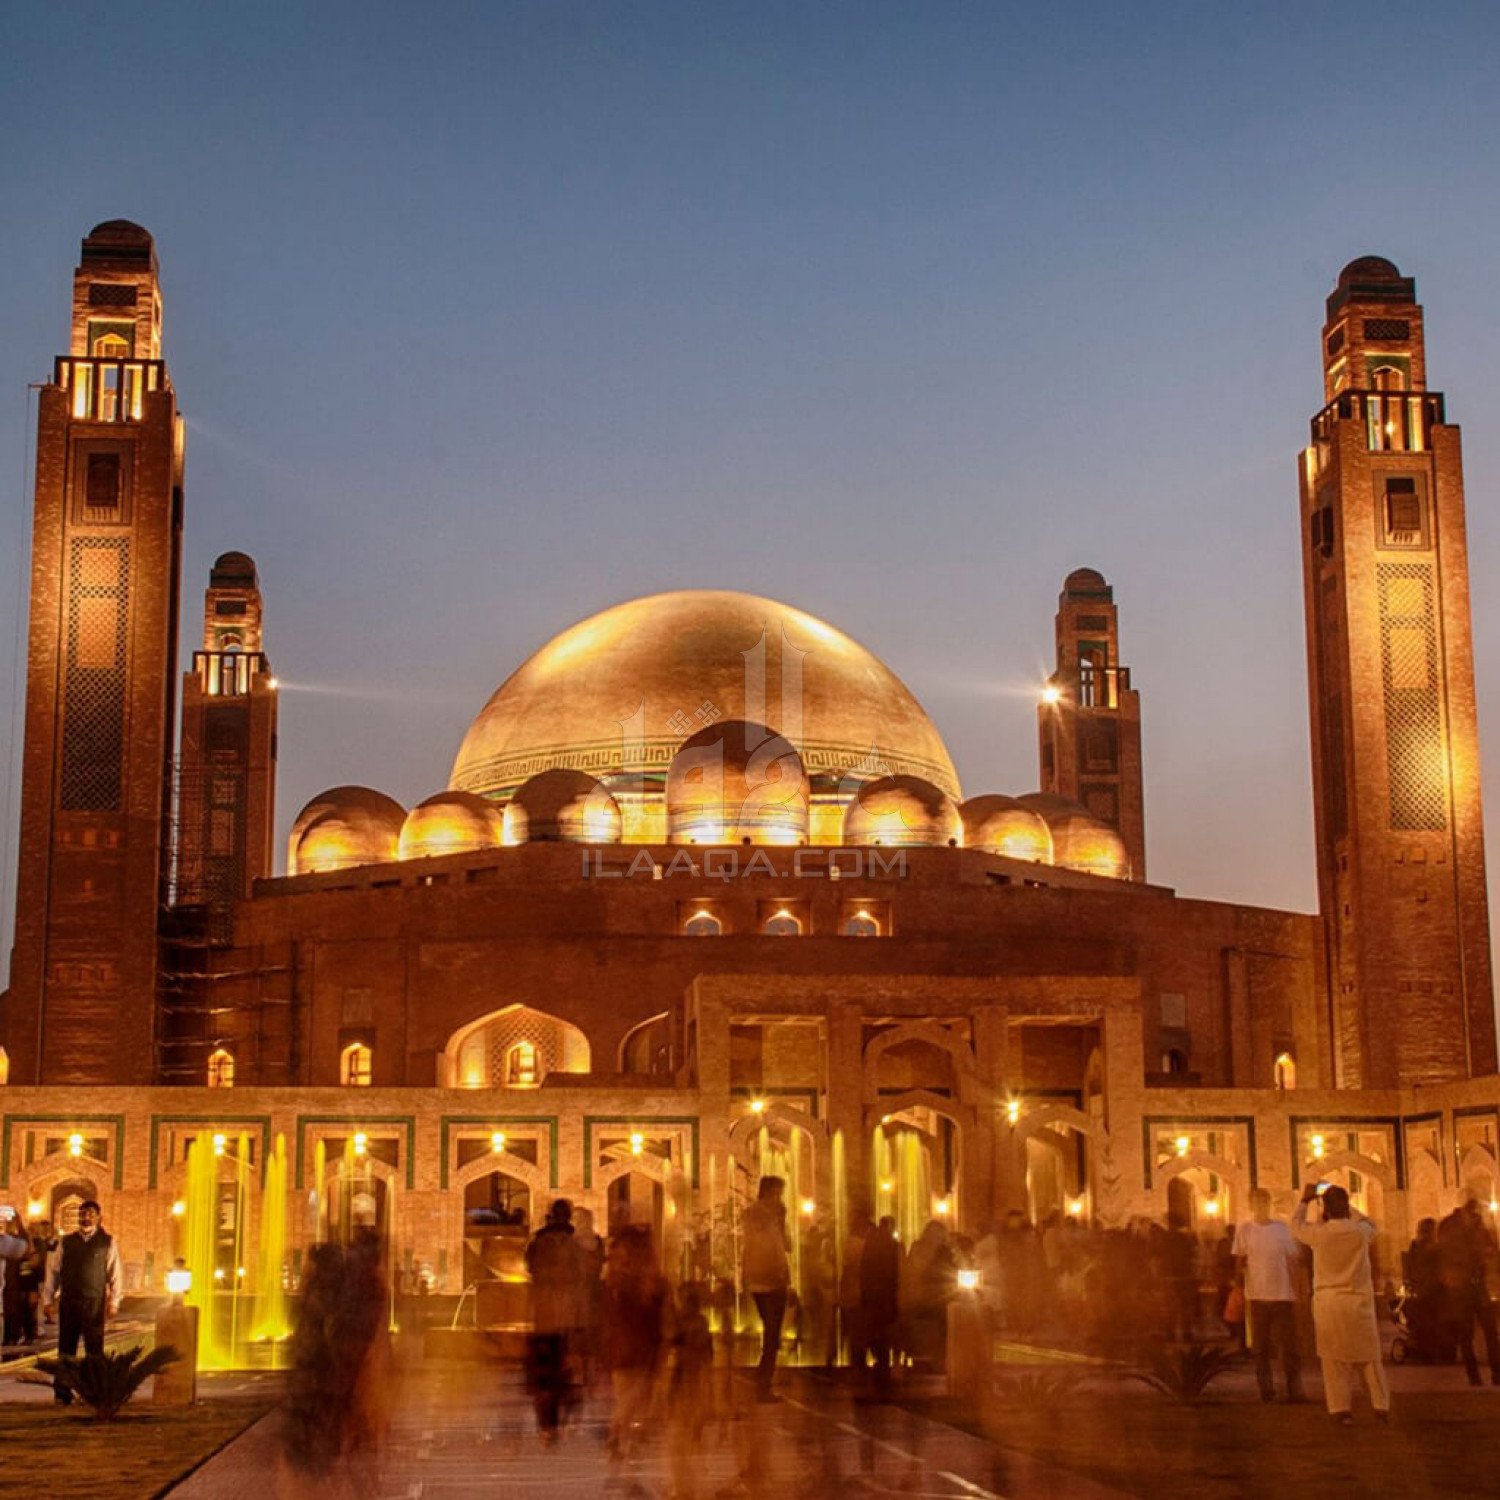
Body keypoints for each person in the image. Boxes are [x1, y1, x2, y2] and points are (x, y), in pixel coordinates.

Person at [1291, 1183, 1389, 1424]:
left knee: (1334, 1360)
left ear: (1326, 1209)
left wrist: (1305, 1201)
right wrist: (1348, 1207)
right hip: (1358, 1301)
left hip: (1330, 1303)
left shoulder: (1320, 1234)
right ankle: (1380, 1406)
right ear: (1345, 1206)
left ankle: (1341, 1409)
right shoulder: (1359, 1233)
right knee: (1369, 1358)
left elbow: (1295, 1226)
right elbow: (1371, 1224)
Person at [42, 1200, 121, 1403]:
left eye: (91, 1214)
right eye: (83, 1213)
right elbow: (54, 1272)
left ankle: (94, 1393)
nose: (86, 1217)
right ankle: (62, 1394)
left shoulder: (107, 1242)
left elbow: (115, 1273)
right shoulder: (67, 1242)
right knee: (66, 1348)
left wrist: (114, 1302)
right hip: (69, 1301)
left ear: (98, 1217)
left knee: (94, 1349)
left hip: (94, 1302)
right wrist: (48, 1299)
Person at [600, 1225, 668, 1460]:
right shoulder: (645, 1282)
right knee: (634, 1396)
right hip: (637, 1348)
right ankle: (620, 1436)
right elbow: (656, 1317)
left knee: (629, 1396)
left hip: (625, 1346)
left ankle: (621, 1438)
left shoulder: (615, 1280)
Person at [1233, 1188, 1305, 1402]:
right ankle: (1266, 1389)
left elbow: (1293, 1259)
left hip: (1282, 1294)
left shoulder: (1281, 1229)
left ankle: (1294, 1389)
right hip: (1257, 1296)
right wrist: (1239, 1286)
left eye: (1264, 1202)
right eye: (1257, 1202)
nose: (1261, 1206)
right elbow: (1240, 1260)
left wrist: (1297, 1287)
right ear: (1251, 1205)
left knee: (1289, 1345)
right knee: (1261, 1347)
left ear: (1268, 1204)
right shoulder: (1245, 1230)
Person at [523, 1198, 584, 1440]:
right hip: (565, 1312)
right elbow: (580, 1274)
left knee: (544, 1367)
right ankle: (554, 1419)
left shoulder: (540, 1241)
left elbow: (530, 1267)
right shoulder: (573, 1242)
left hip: (544, 1312)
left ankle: (546, 1422)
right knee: (563, 1365)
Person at [1436, 1194, 1500, 1386]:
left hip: (1477, 1285)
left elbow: (1490, 1248)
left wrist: (1487, 1250)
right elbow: (1449, 1253)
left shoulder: (1478, 1226)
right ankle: (1474, 1376)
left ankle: (1497, 1373)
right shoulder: (1449, 1226)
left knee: (1490, 1331)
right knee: (1466, 1333)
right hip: (1460, 1288)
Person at [740, 1175, 790, 1401]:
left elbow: (785, 1246)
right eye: (777, 1193)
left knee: (773, 1334)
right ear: (767, 1193)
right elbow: (763, 1246)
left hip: (770, 1281)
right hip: (767, 1281)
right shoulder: (758, 1214)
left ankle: (763, 1381)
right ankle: (763, 1385)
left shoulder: (770, 1216)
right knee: (771, 1335)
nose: (779, 1199)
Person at [859, 1215, 900, 1401]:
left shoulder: (870, 1245)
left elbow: (863, 1272)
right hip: (884, 1297)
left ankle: (878, 1368)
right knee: (884, 1334)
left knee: (875, 1333)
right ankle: (883, 1370)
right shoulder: (891, 1246)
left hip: (872, 1297)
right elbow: (894, 1274)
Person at [1403, 1217, 1446, 1362]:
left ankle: (1426, 1352)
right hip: (1430, 1290)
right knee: (1431, 1322)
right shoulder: (1430, 1248)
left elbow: (1410, 1268)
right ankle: (1431, 1352)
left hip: (1423, 1290)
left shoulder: (1416, 1246)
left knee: (1426, 1322)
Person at [0, 1208, 29, 1349]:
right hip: (7, 1282)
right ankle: (8, 1338)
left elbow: (23, 1252)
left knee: (13, 1311)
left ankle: (12, 1337)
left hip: (14, 1282)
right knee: (7, 1311)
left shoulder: (18, 1241)